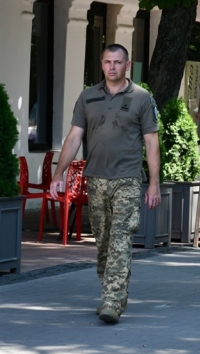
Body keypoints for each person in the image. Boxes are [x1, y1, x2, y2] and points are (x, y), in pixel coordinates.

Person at [50, 44, 160, 325]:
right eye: (108, 62)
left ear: (127, 64)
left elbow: (151, 142)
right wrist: (58, 174)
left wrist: (154, 184)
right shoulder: (88, 97)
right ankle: (112, 291)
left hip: (127, 179)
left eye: (118, 62)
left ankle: (112, 301)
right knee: (103, 243)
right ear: (101, 64)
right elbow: (74, 138)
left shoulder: (141, 97)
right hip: (96, 179)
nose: (112, 67)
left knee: (121, 240)